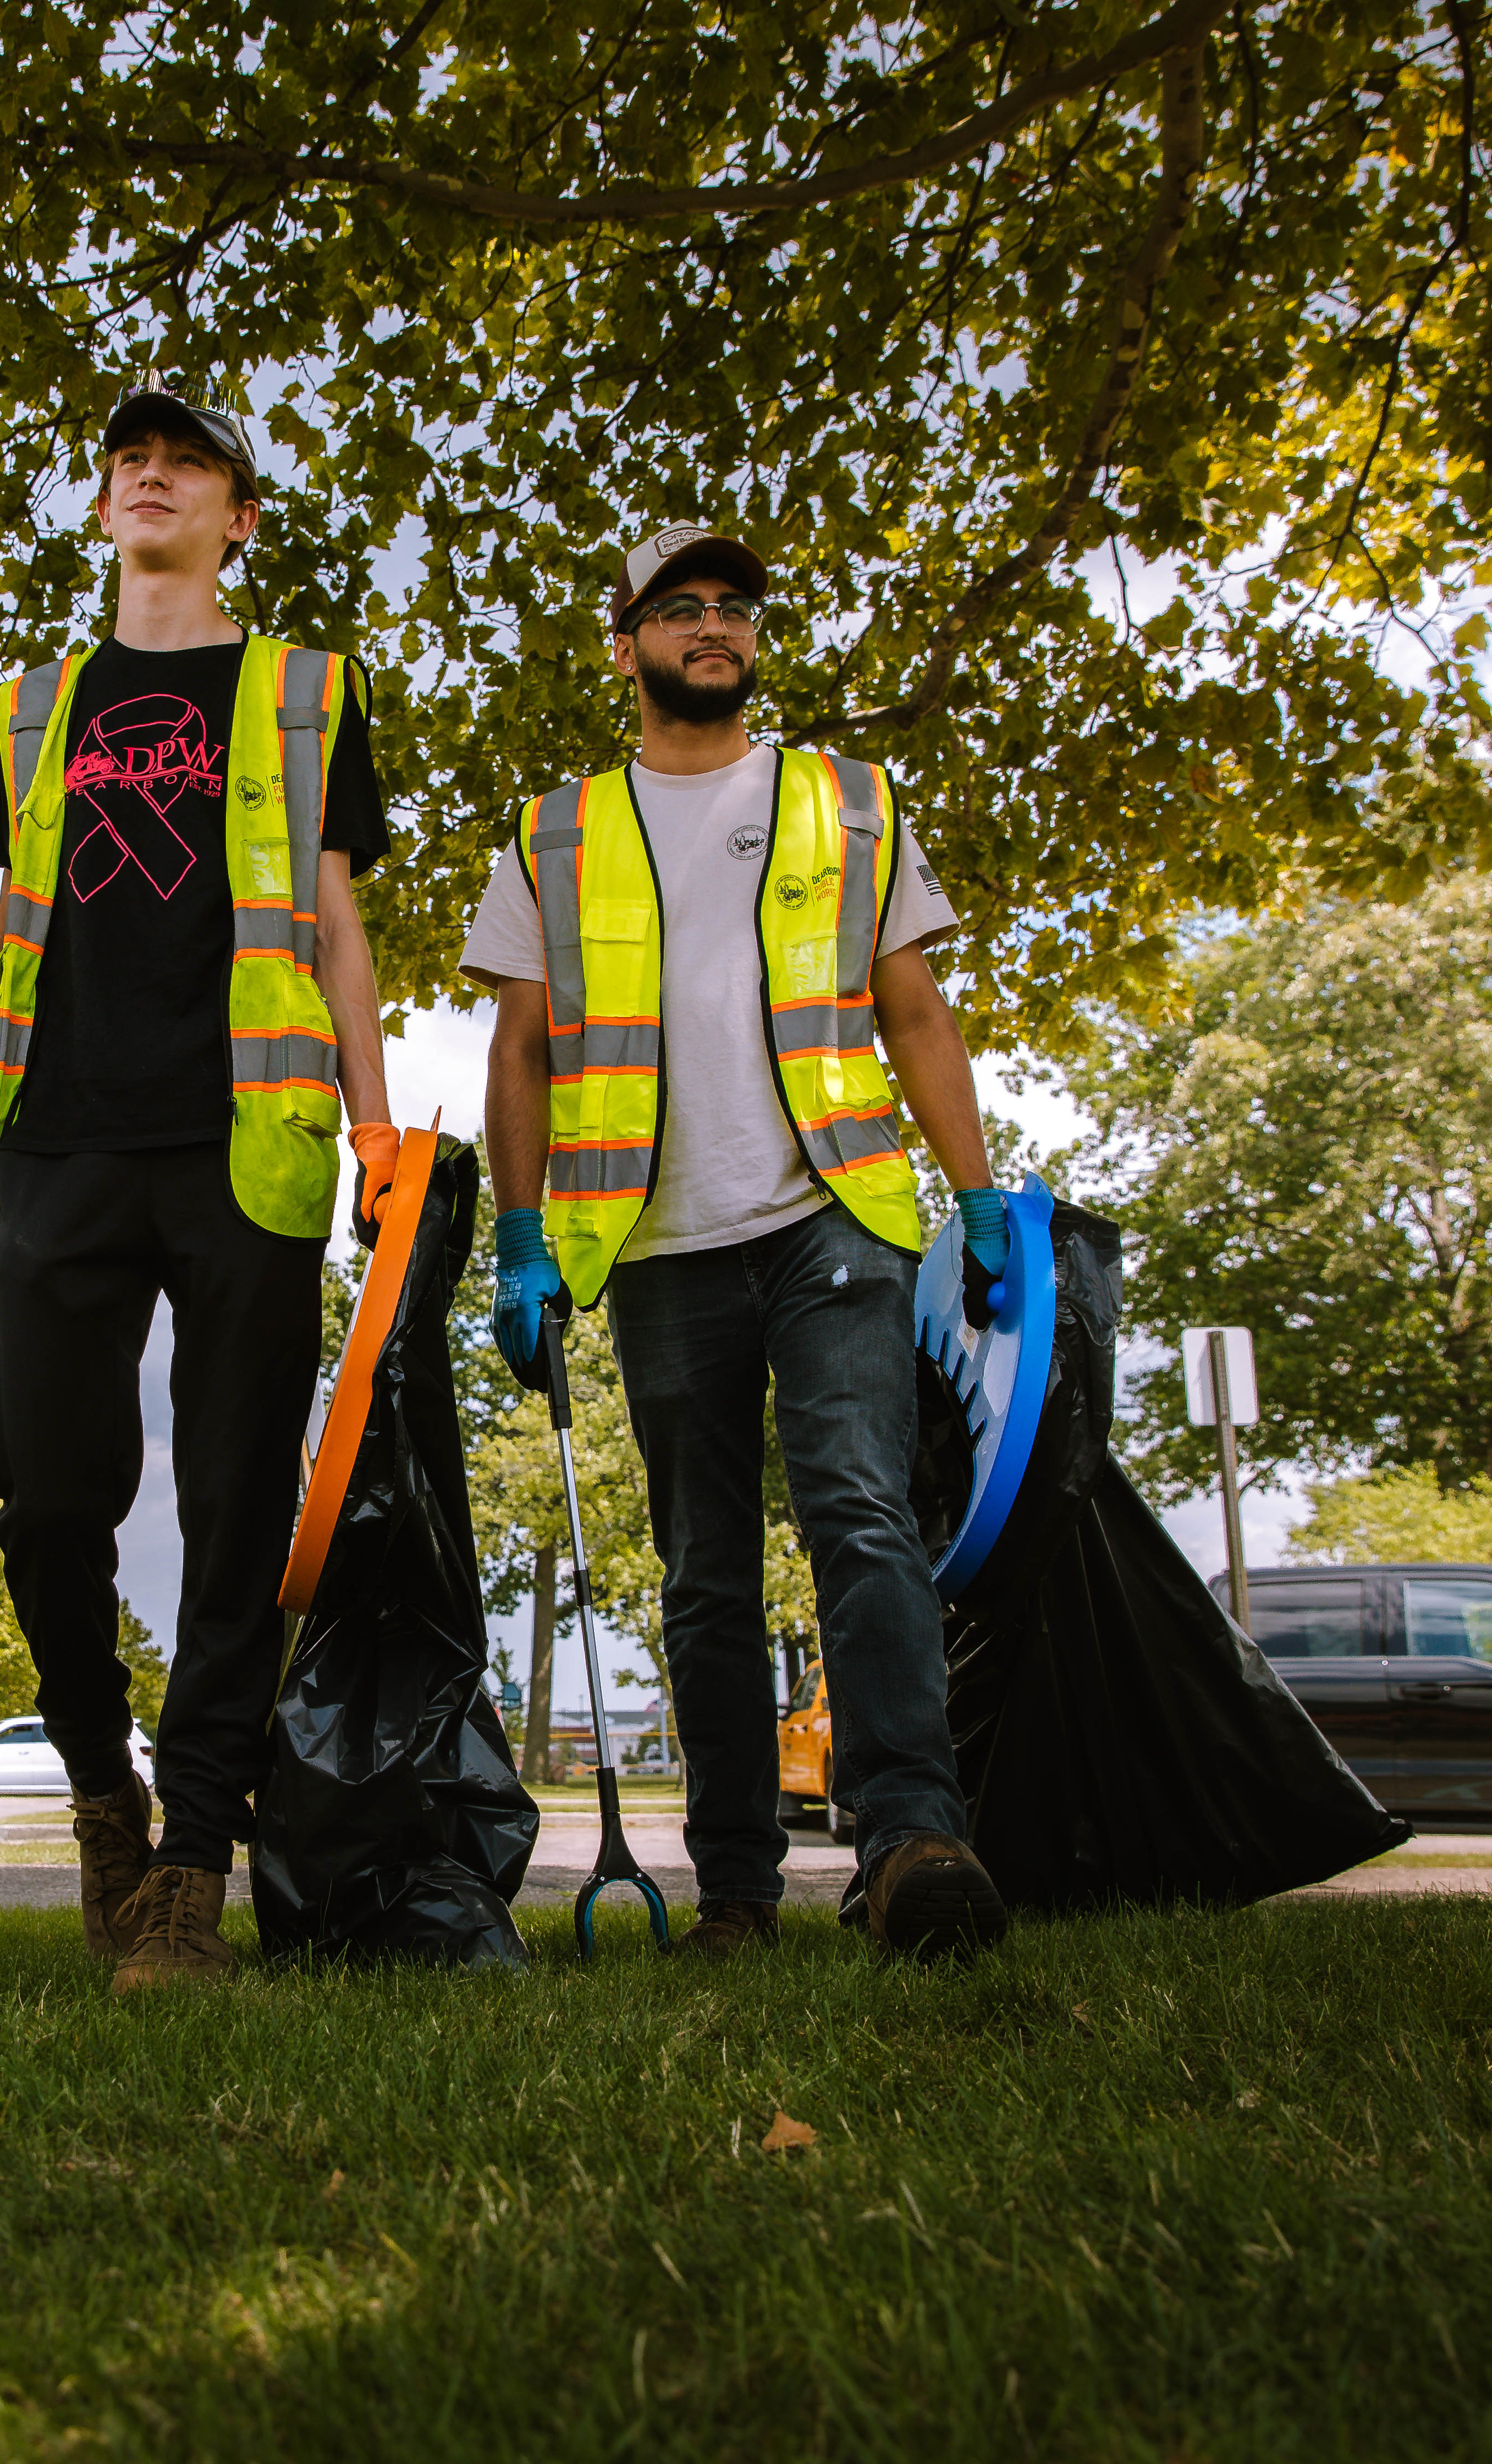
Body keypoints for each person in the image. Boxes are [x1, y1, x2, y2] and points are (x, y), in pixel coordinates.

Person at [0, 378, 403, 1991]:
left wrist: (379, 1132)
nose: (152, 478)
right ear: (104, 506)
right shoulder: (32, 702)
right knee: (47, 1493)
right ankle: (99, 1785)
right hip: (61, 1141)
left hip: (248, 1140)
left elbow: (332, 920)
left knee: (237, 1503)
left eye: (188, 465)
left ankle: (191, 1860)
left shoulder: (309, 692)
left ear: (239, 516)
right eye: (130, 462)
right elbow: (17, 921)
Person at [467, 526, 1014, 1961]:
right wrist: (519, 1236)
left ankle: (911, 1842)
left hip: (836, 1218)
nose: (713, 626)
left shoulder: (847, 800)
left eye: (733, 608)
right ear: (626, 639)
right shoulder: (558, 830)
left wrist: (980, 1195)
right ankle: (734, 1893)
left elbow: (913, 1011)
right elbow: (519, 1051)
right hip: (654, 1248)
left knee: (862, 1512)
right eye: (679, 608)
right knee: (704, 1570)